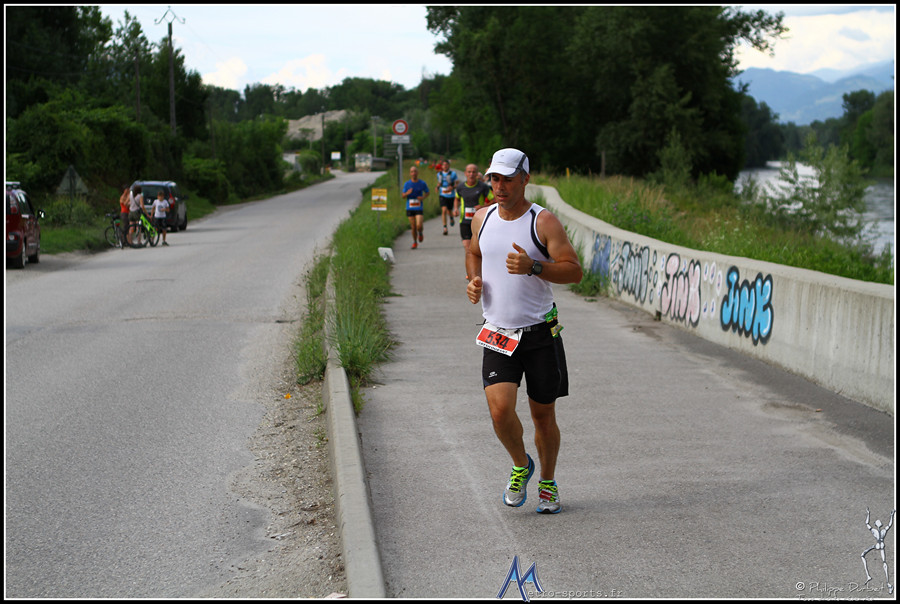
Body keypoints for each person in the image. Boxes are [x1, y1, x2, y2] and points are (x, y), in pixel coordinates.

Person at [465, 148, 582, 514]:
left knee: (542, 416)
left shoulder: (542, 222)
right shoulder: (482, 217)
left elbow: (574, 270)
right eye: (494, 179)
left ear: (525, 179)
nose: (499, 186)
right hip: (498, 333)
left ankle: (548, 481)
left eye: (507, 179)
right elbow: (474, 252)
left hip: (540, 334)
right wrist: (473, 280)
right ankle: (521, 465)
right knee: (500, 412)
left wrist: (534, 267)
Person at [455, 163, 494, 258]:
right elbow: (457, 198)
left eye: (473, 172)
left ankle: (479, 266)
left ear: (477, 173)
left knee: (478, 250)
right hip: (464, 221)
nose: (471, 174)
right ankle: (470, 267)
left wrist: (482, 207)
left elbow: (494, 200)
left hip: (479, 222)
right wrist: (455, 208)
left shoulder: (483, 187)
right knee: (467, 248)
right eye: (469, 172)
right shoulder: (460, 187)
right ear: (465, 173)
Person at [401, 165, 430, 249]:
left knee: (419, 225)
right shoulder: (407, 184)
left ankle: (420, 232)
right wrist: (407, 193)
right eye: (412, 172)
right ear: (410, 173)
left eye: (415, 171)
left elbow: (427, 192)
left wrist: (423, 197)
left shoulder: (422, 183)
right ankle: (415, 242)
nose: (413, 173)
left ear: (417, 172)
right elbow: (403, 196)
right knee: (413, 227)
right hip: (409, 208)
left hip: (418, 207)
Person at [436, 159, 458, 235]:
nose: (445, 166)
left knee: (449, 210)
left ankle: (451, 218)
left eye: (446, 165)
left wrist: (453, 187)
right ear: (442, 166)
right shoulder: (439, 174)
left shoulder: (453, 174)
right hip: (442, 194)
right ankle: (445, 227)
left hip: (451, 195)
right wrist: (437, 187)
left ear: (449, 165)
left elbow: (457, 183)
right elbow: (439, 182)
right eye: (443, 165)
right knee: (444, 210)